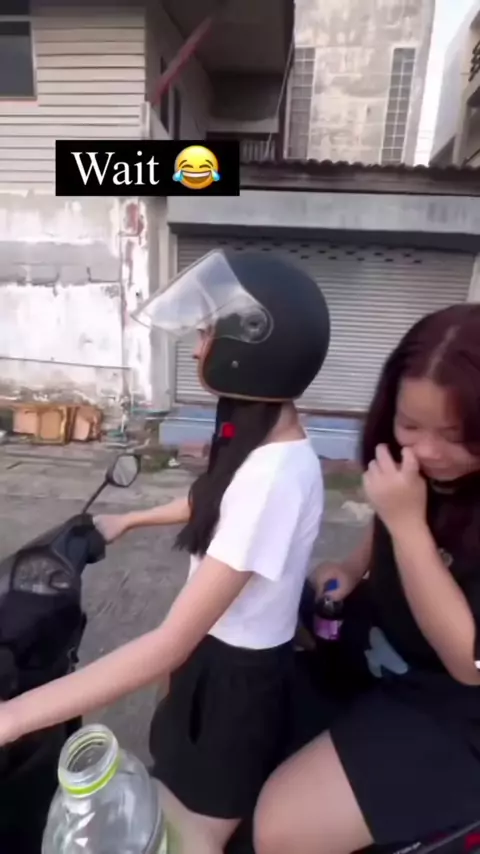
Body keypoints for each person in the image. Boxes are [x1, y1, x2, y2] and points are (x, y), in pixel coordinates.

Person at [0, 249, 330, 854]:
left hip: (236, 683)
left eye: (207, 334)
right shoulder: (258, 434)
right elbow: (211, 499)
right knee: (167, 788)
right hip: (213, 659)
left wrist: (15, 717)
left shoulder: (275, 478)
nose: (199, 347)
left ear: (253, 349)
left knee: (189, 836)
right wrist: (129, 519)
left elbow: (167, 643)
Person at [254, 303, 480, 854]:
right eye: (410, 425)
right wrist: (353, 567)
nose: (427, 452)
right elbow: (391, 522)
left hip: (455, 697)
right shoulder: (420, 468)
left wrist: (407, 526)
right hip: (390, 643)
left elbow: (469, 664)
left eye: (456, 435)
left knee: (280, 829)